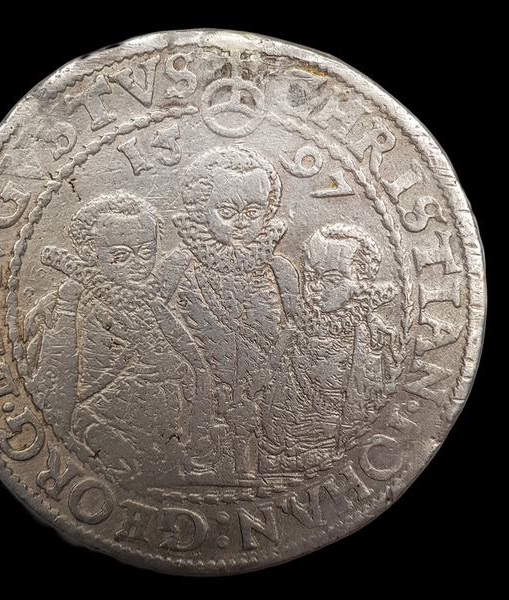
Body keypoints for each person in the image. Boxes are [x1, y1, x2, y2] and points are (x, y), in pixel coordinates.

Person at [24, 192, 196, 484]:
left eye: (146, 252)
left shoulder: (150, 300)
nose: (138, 265)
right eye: (121, 255)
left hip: (166, 432)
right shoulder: (72, 304)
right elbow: (58, 387)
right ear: (91, 252)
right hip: (108, 434)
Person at [159, 147, 298, 481]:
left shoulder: (279, 269)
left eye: (253, 211)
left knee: (257, 436)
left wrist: (268, 370)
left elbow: (295, 325)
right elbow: (152, 312)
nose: (241, 223)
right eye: (226, 211)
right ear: (200, 209)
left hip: (262, 379)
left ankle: (254, 461)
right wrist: (193, 362)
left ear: (268, 210)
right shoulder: (180, 263)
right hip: (196, 379)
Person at [260, 224, 399, 474]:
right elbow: (266, 376)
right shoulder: (294, 326)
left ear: (361, 283)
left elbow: (377, 398)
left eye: (332, 279)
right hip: (274, 452)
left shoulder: (374, 337)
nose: (315, 286)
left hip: (331, 457)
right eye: (310, 275)